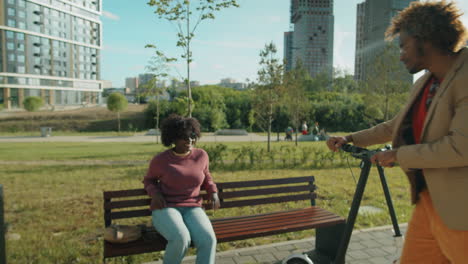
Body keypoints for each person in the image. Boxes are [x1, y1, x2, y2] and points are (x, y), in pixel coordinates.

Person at [326, 2, 468, 263]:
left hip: (461, 211)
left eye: (404, 45)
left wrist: (398, 156)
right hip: (429, 202)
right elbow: (394, 126)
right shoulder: (428, 81)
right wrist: (350, 138)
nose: (401, 54)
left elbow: (461, 148)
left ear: (425, 40)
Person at [143, 114, 220, 264]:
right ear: (173, 138)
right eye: (184, 137)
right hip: (166, 207)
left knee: (208, 239)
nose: (190, 140)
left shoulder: (201, 156)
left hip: (193, 207)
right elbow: (148, 180)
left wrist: (213, 191)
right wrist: (155, 193)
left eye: (192, 136)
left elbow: (206, 177)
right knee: (181, 238)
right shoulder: (161, 160)